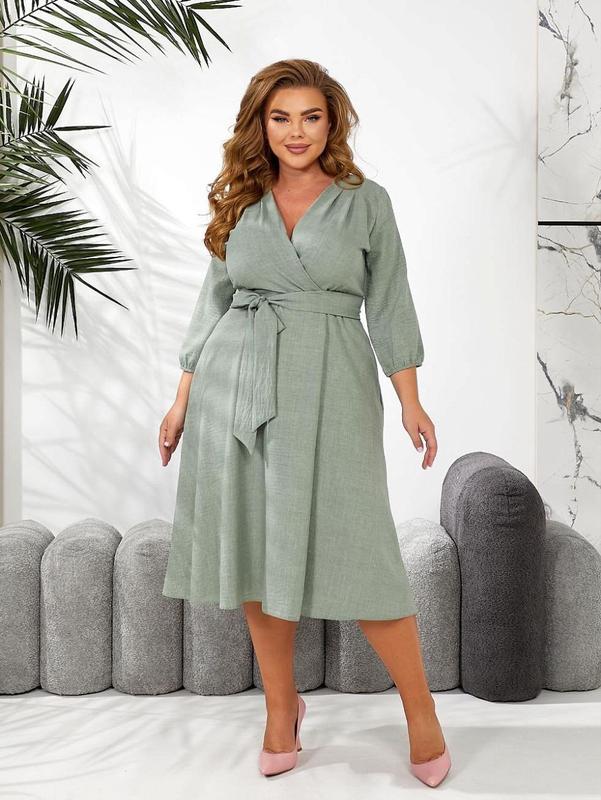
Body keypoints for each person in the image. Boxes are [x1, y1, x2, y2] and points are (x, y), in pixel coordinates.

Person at [158, 59, 450, 787]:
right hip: (234, 386)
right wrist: (182, 397)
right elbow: (213, 301)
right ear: (260, 125)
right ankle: (281, 708)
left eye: (311, 117)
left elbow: (390, 301)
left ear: (332, 122)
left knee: (362, 547)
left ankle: (420, 711)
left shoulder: (364, 201)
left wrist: (410, 398)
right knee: (258, 551)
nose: (296, 132)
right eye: (281, 117)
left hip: (333, 381)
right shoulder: (241, 200)